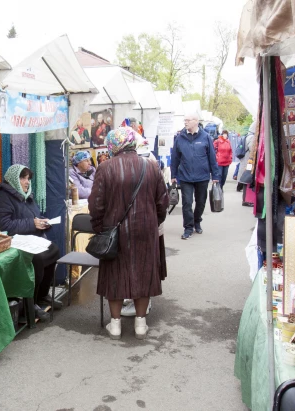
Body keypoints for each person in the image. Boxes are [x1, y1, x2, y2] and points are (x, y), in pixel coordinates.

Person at [88, 126, 168, 340]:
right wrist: (153, 221)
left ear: (113, 145)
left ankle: (115, 325)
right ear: (133, 143)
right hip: (145, 228)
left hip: (114, 231)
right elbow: (163, 202)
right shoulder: (152, 166)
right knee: (143, 271)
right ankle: (140, 324)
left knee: (115, 274)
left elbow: (96, 204)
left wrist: (99, 228)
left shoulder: (105, 168)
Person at [0, 164, 61, 322]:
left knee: (53, 250)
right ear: (12, 179)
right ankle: (29, 303)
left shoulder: (26, 196)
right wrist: (32, 224)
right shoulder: (2, 198)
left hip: (30, 239)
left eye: (27, 178)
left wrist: (41, 222)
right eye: (22, 178)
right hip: (12, 243)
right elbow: (3, 226)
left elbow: (33, 216)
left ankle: (41, 295)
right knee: (37, 259)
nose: (26, 182)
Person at [171, 112, 220, 239]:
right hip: (185, 176)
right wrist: (173, 175)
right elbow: (175, 158)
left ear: (196, 121)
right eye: (184, 120)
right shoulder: (180, 138)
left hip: (202, 176)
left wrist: (215, 176)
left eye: (188, 120)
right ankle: (188, 228)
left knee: (201, 202)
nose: (185, 122)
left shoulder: (206, 137)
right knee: (187, 203)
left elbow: (212, 158)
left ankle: (197, 221)